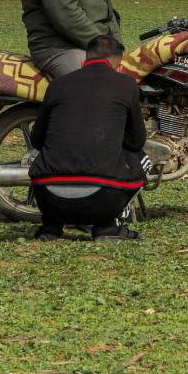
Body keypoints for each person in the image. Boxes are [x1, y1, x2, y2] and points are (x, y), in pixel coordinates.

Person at [29, 34, 150, 241]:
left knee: (43, 156)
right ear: (116, 60)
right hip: (102, 200)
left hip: (49, 199)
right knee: (144, 158)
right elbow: (136, 142)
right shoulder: (126, 85)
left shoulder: (58, 85)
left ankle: (51, 227)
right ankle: (109, 227)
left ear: (86, 58)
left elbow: (37, 140)